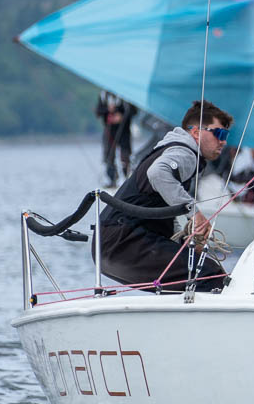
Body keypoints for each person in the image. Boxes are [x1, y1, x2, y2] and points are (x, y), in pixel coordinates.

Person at [94, 100, 233, 293]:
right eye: (219, 134)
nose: (223, 141)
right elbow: (157, 173)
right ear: (196, 132)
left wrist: (184, 242)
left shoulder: (169, 150)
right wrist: (195, 214)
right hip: (122, 242)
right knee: (212, 276)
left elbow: (162, 207)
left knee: (194, 271)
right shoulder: (186, 153)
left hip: (107, 245)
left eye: (226, 135)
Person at [95, 91, 136, 187]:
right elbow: (98, 111)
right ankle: (112, 180)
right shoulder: (103, 95)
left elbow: (133, 111)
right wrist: (108, 109)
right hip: (109, 131)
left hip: (124, 131)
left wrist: (121, 116)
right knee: (109, 156)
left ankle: (127, 180)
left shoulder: (126, 94)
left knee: (125, 156)